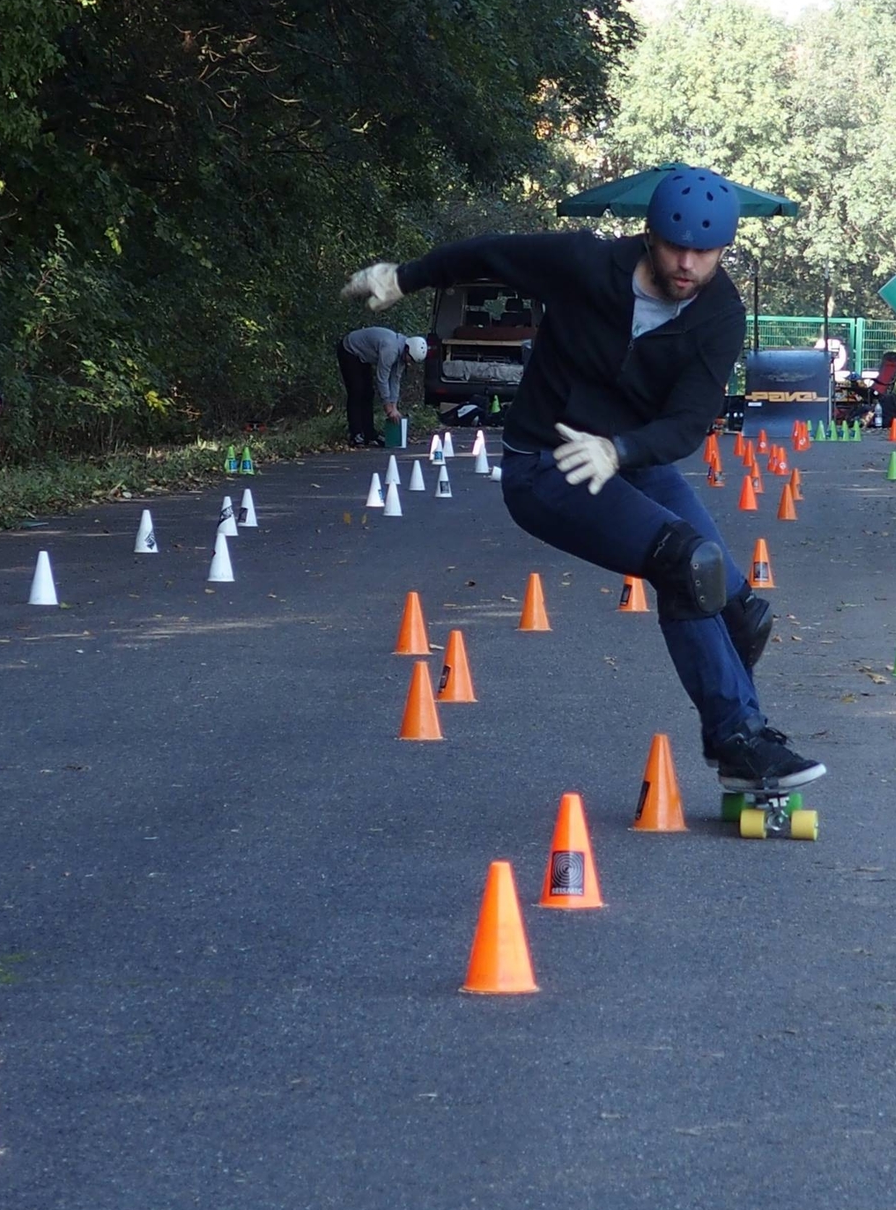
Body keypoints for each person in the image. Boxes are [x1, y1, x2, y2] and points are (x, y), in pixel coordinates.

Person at [341, 167, 826, 790]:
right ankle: (737, 739)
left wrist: (620, 450)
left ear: (723, 250)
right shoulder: (585, 263)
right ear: (650, 236)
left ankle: (744, 742)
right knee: (688, 565)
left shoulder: (720, 313)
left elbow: (686, 423)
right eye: (675, 247)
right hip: (544, 465)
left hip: (633, 461)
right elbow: (490, 251)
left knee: (742, 611)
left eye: (704, 254)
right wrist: (403, 276)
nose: (687, 265)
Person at [335, 327, 428, 447]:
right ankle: (355, 434)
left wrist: (394, 406)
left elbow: (395, 380)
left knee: (369, 393)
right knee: (357, 391)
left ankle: (370, 434)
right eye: (410, 358)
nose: (409, 362)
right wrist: (387, 406)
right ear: (407, 349)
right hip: (350, 350)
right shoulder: (391, 350)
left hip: (363, 357)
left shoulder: (402, 356)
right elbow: (382, 378)